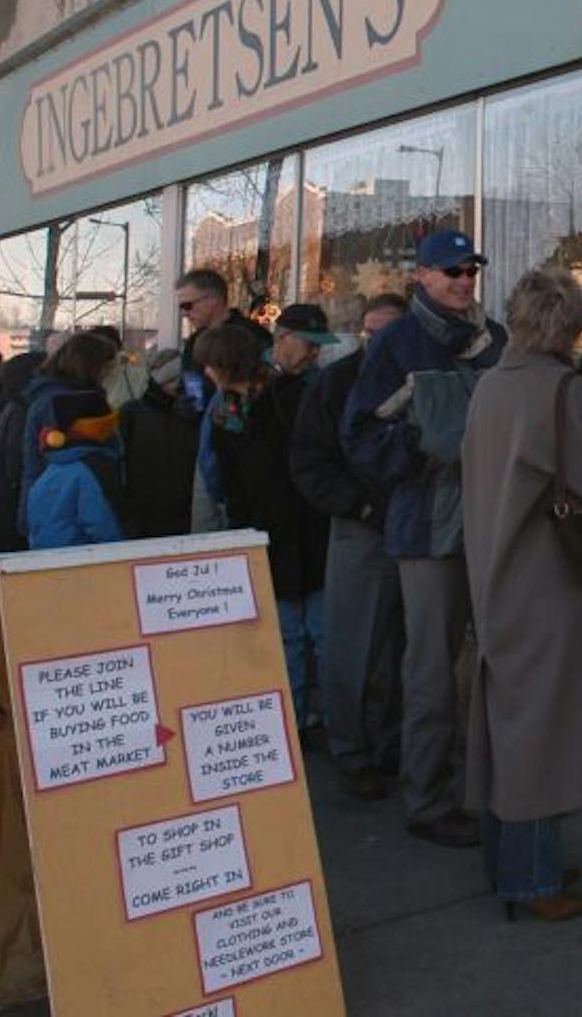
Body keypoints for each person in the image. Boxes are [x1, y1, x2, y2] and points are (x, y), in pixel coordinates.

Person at [461, 264, 582, 922]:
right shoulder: (565, 391)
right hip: (546, 579)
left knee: (507, 724)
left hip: (492, 570)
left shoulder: (491, 387)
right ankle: (532, 882)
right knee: (540, 732)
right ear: (571, 323)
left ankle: (509, 866)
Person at [343, 230, 506, 848]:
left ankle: (493, 795)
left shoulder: (496, 340)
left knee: (497, 668)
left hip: (495, 527)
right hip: (427, 530)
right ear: (423, 278)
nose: (464, 280)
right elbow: (358, 434)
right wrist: (423, 449)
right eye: (452, 271)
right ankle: (427, 800)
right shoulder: (395, 344)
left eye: (471, 269)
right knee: (432, 674)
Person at [292, 292, 407, 801]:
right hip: (361, 528)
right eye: (369, 331)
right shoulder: (338, 384)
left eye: (388, 332)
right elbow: (310, 463)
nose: (377, 341)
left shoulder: (425, 379)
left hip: (420, 528)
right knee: (353, 646)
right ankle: (352, 750)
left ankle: (396, 746)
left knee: (410, 651)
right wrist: (359, 507)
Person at [198, 322, 331, 737]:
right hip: (278, 534)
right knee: (298, 633)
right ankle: (306, 719)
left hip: (295, 531)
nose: (205, 374)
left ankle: (316, 720)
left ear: (224, 364)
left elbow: (225, 477)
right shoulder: (234, 408)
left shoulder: (274, 401)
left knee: (309, 634)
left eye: (209, 365)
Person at [16, 332, 121, 542]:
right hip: (68, 506)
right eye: (108, 367)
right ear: (92, 366)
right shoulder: (64, 403)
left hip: (57, 507)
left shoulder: (49, 396)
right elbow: (37, 462)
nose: (112, 373)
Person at [24, 390, 127, 550]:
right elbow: (102, 526)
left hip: (50, 563)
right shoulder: (91, 470)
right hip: (84, 565)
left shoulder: (50, 470)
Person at [118, 348, 200, 537]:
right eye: (171, 381)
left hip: (181, 508)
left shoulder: (193, 413)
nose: (178, 386)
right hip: (145, 510)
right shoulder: (133, 413)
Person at [0, 350, 46, 555]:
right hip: (12, 515)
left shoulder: (16, 408)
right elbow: (17, 468)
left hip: (5, 511)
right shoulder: (22, 413)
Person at [176, 269, 272, 377]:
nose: (184, 314)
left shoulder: (253, 336)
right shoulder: (193, 342)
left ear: (213, 299)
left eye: (187, 306)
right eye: (181, 307)